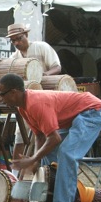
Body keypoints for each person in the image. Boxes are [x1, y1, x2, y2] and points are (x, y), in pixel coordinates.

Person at [0, 73, 101, 202]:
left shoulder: (36, 103)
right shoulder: (23, 107)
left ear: (14, 92)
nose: (0, 99)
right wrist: (36, 161)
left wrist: (33, 158)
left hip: (91, 111)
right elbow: (40, 136)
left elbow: (54, 138)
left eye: (2, 94)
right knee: (47, 154)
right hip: (75, 116)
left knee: (67, 153)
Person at [7, 23, 62, 165]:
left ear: (26, 35)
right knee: (20, 135)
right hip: (26, 102)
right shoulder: (14, 57)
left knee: (46, 135)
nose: (17, 43)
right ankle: (15, 172)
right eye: (13, 41)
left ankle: (44, 169)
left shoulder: (41, 47)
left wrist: (43, 76)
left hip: (45, 101)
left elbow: (57, 67)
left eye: (19, 38)